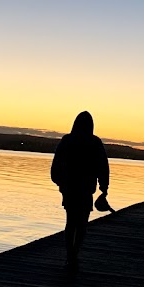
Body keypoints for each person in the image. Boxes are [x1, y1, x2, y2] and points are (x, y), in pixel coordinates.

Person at [50, 111, 110, 270]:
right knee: (82, 223)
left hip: (69, 188)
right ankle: (74, 253)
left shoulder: (67, 140)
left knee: (71, 222)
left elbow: (56, 165)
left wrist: (59, 182)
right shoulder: (95, 142)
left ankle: (70, 253)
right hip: (85, 188)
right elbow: (103, 167)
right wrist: (104, 187)